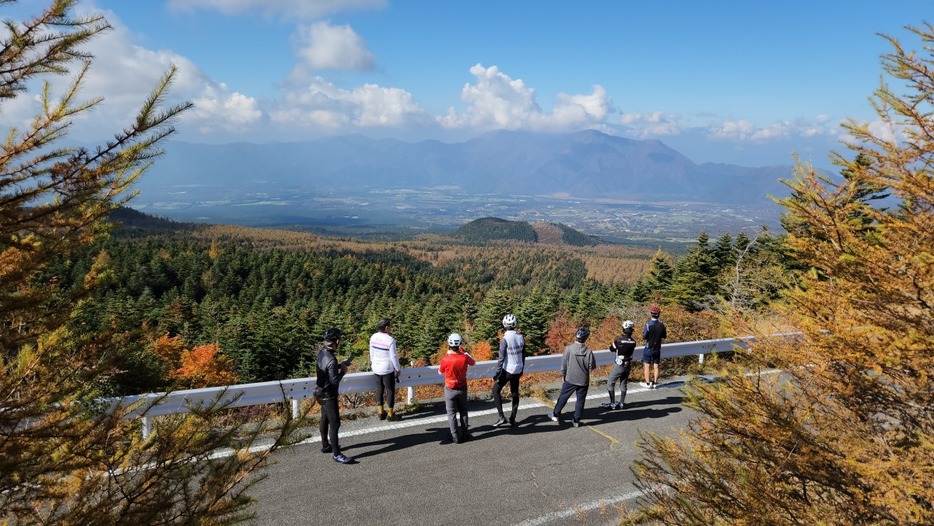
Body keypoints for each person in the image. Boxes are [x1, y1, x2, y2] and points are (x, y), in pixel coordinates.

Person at [316, 327, 355, 464]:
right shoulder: (331, 358)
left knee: (324, 419)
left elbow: (327, 368)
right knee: (335, 423)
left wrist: (339, 365)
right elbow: (334, 380)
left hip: (319, 392)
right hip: (329, 395)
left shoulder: (322, 352)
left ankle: (325, 445)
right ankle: (337, 454)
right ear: (336, 341)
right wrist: (343, 371)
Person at [547, 327, 596, 428]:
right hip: (583, 380)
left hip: (570, 378)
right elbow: (592, 367)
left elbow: (564, 363)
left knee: (563, 397)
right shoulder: (589, 352)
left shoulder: (569, 348)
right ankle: (576, 420)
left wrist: (563, 374)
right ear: (586, 338)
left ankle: (556, 414)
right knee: (580, 400)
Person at [438, 333, 475, 444]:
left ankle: (455, 436)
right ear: (460, 344)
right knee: (463, 411)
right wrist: (464, 351)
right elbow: (473, 362)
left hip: (450, 388)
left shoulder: (446, 359)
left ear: (449, 344)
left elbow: (440, 372)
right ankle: (464, 433)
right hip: (462, 387)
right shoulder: (464, 357)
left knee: (451, 413)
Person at [492, 313, 525, 427]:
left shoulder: (504, 339)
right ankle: (513, 418)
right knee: (515, 393)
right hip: (518, 369)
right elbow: (523, 355)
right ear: (515, 324)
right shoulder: (521, 337)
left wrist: (497, 374)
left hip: (507, 370)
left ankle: (501, 417)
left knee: (495, 390)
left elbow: (501, 359)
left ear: (504, 325)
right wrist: (522, 369)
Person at [369, 317, 402, 421]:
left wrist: (373, 363)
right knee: (390, 390)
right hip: (387, 368)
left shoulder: (373, 337)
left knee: (379, 389)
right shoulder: (390, 340)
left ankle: (380, 413)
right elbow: (393, 357)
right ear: (387, 327)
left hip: (376, 367)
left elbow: (371, 352)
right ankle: (390, 414)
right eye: (390, 326)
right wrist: (397, 369)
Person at [601, 320, 637, 410]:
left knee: (610, 383)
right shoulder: (633, 342)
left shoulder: (618, 340)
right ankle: (621, 403)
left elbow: (611, 349)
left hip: (619, 365)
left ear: (623, 329)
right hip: (628, 365)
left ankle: (613, 403)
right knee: (623, 384)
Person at [641, 305, 667, 389]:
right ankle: (655, 383)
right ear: (658, 314)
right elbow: (664, 336)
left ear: (651, 314)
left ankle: (648, 383)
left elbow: (644, 336)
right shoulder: (662, 325)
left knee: (647, 366)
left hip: (649, 347)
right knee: (656, 366)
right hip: (657, 348)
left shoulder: (648, 325)